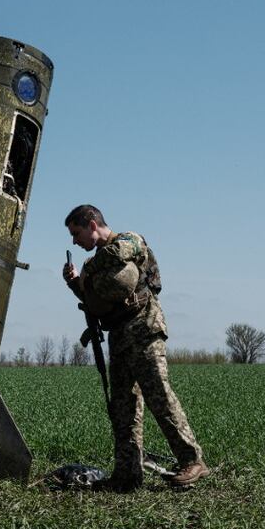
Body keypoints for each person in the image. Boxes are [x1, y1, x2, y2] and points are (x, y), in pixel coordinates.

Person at [62, 204, 208, 491]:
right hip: (119, 334)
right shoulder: (97, 263)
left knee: (159, 397)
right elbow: (94, 299)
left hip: (144, 328)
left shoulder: (129, 240)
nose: (74, 241)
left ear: (92, 224)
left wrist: (90, 269)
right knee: (123, 407)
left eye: (76, 233)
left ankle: (192, 461)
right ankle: (127, 475)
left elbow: (118, 254)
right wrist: (76, 283)